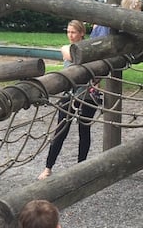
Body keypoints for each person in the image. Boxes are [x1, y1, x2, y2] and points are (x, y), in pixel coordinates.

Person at [37, 20, 98, 181]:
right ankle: (48, 167)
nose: (70, 35)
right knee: (61, 130)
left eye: (73, 32)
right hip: (69, 95)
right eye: (68, 32)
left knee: (84, 131)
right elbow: (69, 54)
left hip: (86, 96)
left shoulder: (89, 50)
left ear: (81, 33)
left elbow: (96, 71)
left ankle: (80, 167)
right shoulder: (69, 49)